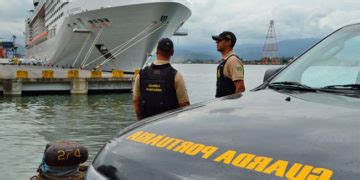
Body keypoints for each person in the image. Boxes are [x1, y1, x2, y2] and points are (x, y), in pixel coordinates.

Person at [133, 38, 190, 120]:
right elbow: (184, 104)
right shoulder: (176, 76)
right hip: (168, 126)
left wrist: (140, 120)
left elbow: (135, 100)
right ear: (172, 53)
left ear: (156, 51)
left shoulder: (141, 74)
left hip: (146, 126)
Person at [212, 31, 245, 98]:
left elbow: (240, 88)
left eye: (219, 40)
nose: (216, 42)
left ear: (228, 42)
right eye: (216, 41)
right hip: (222, 105)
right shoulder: (225, 60)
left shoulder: (233, 60)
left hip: (228, 106)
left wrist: (232, 105)